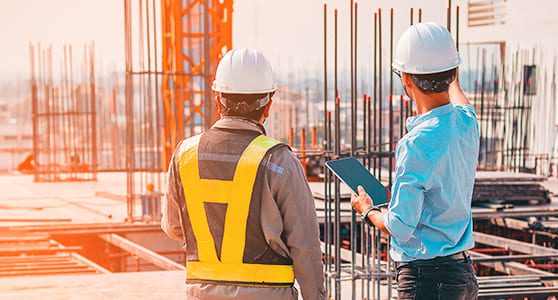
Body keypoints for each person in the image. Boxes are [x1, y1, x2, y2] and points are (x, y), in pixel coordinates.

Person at [162, 48, 326, 300]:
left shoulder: (184, 154)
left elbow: (174, 227)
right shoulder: (279, 161)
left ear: (218, 100)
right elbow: (305, 245)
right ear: (268, 105)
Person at [351, 22, 480, 300]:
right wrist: (447, 72)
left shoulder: (415, 143)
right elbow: (461, 101)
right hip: (462, 275)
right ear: (454, 72)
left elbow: (399, 227)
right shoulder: (467, 123)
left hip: (427, 280)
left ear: (406, 79)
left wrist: (367, 210)